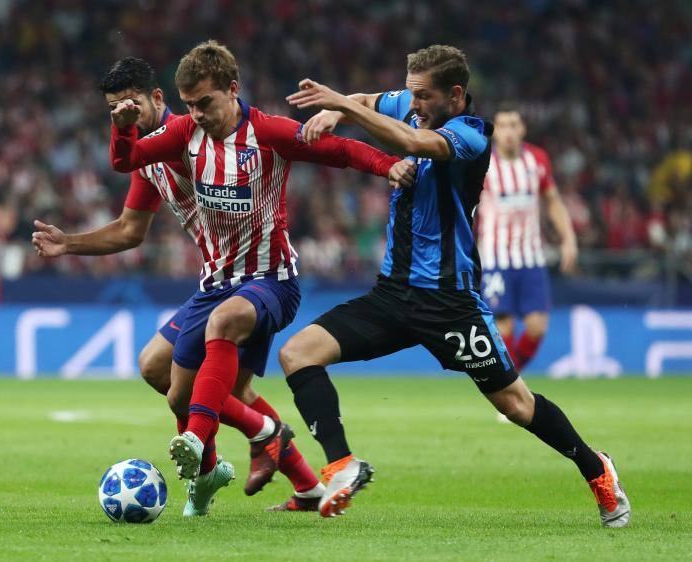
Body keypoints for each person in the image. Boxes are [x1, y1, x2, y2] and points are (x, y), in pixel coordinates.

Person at [283, 44, 630, 527]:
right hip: (392, 293)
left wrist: (341, 104)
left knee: (515, 404)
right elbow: (367, 99)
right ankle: (342, 466)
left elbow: (416, 145)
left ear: (456, 95)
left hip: (449, 301)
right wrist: (342, 107)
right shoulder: (411, 104)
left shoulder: (472, 135)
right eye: (410, 94)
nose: (414, 104)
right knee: (298, 353)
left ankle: (597, 469)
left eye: (423, 97)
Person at [108, 41, 415, 515]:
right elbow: (127, 161)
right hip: (215, 283)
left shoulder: (267, 132)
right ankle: (276, 449)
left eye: (205, 103)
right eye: (188, 105)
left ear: (233, 90)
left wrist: (388, 164)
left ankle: (198, 438)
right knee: (173, 389)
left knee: (222, 330)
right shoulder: (186, 133)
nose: (196, 114)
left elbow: (340, 150)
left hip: (271, 281)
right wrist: (121, 129)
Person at [32, 56, 327, 515]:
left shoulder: (193, 135)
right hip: (217, 282)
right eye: (112, 107)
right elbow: (131, 230)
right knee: (160, 369)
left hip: (256, 280)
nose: (121, 114)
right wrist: (68, 244)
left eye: (129, 103)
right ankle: (298, 483)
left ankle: (229, 464)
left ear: (156, 98)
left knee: (203, 393)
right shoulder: (148, 157)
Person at [475, 105, 578, 370]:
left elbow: (553, 202)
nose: (508, 132)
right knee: (503, 325)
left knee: (536, 326)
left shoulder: (537, 160)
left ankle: (511, 378)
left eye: (513, 125)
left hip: (531, 256)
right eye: (503, 126)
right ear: (494, 132)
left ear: (522, 129)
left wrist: (569, 240)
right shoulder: (483, 163)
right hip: (495, 256)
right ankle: (511, 387)